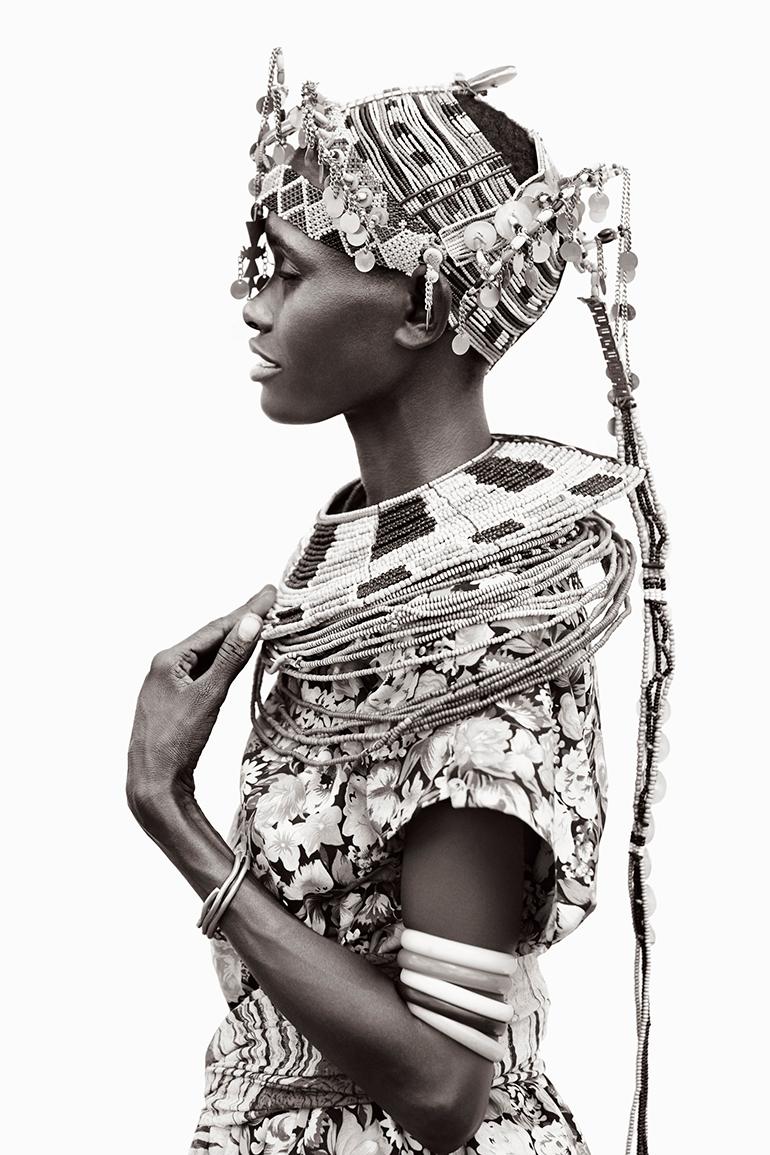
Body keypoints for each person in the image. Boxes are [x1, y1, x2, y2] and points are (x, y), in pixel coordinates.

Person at [126, 50, 673, 1155]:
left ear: (422, 307)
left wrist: (168, 812)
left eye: (287, 269)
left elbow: (440, 1091)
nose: (252, 300)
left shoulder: (485, 617)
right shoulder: (379, 568)